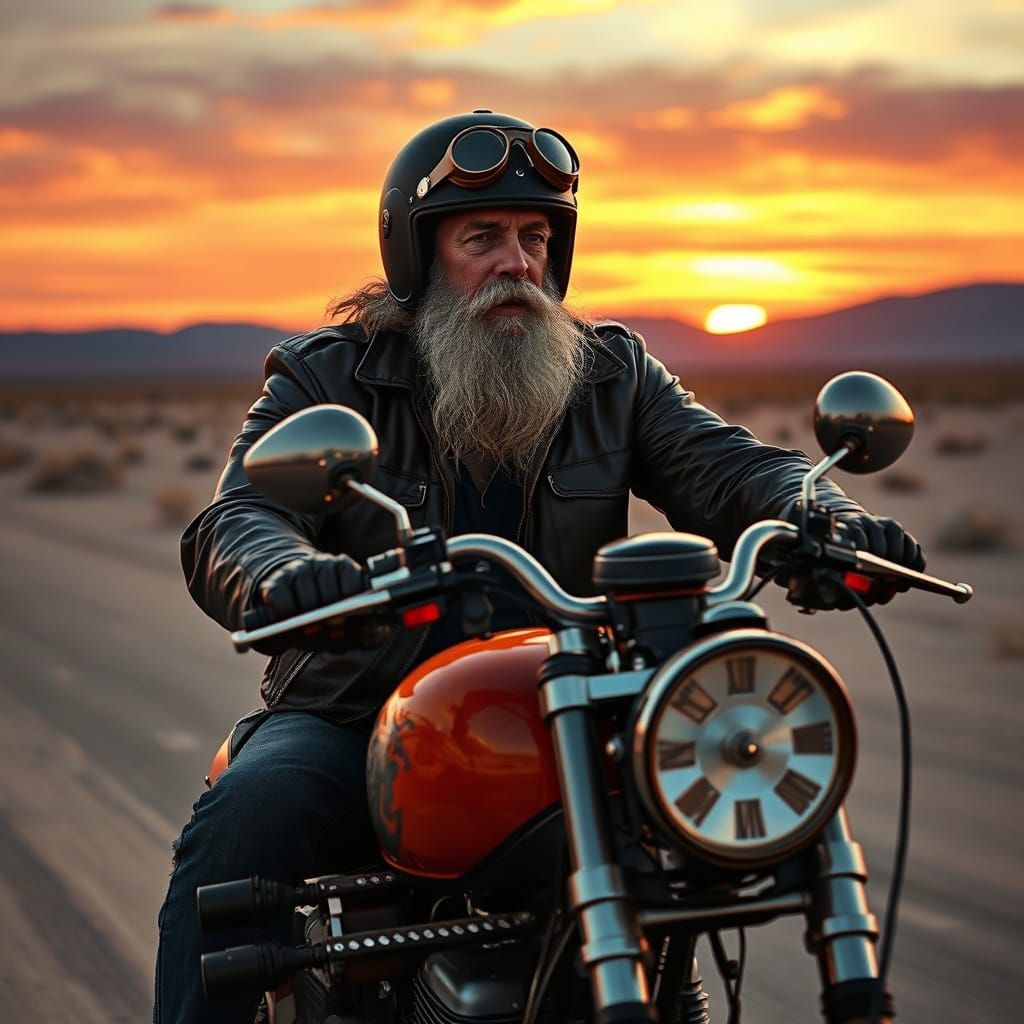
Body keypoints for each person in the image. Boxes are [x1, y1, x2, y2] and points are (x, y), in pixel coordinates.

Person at [153, 110, 922, 1023]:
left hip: (573, 700)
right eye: (482, 238)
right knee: (249, 815)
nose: (516, 262)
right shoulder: (330, 374)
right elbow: (237, 515)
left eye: (535, 236)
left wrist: (824, 515)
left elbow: (729, 464)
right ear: (417, 253)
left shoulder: (612, 374)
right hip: (358, 707)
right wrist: (288, 579)